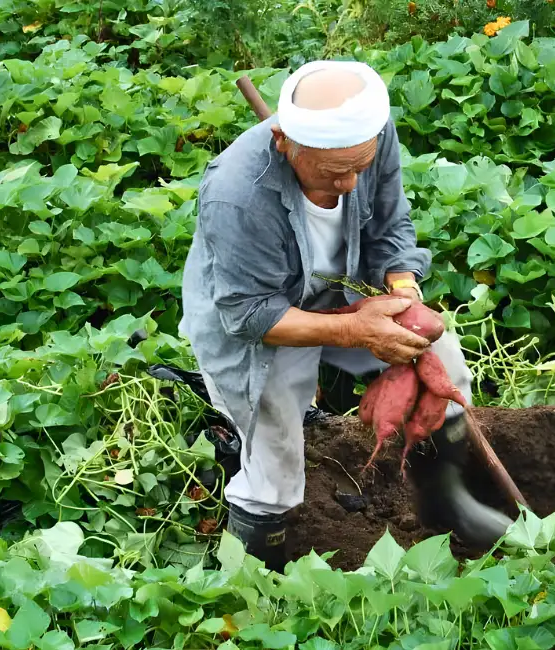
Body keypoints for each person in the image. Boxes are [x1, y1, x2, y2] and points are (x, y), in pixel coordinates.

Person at [180, 60, 511, 572]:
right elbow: (247, 315)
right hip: (261, 326)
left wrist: (405, 291)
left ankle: (449, 501)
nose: (353, 183)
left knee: (443, 358)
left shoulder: (367, 134)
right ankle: (254, 575)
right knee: (275, 461)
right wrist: (355, 331)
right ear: (284, 141)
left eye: (361, 165)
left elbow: (390, 224)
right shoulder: (238, 194)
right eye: (336, 173)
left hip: (346, 292)